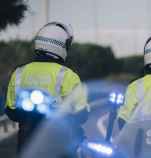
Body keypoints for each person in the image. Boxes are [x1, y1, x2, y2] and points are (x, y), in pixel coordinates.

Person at [4, 22, 89, 153]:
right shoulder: (68, 76)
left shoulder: (19, 73)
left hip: (27, 146)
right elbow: (82, 114)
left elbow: (11, 111)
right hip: (58, 145)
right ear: (60, 45)